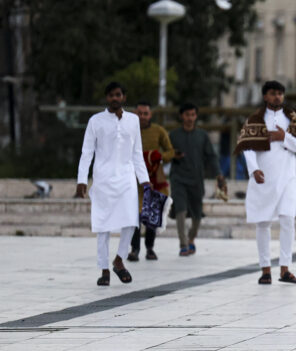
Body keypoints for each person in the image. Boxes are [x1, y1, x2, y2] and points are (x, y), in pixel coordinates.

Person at [235, 81, 296, 285]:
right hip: (264, 177)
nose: (277, 97)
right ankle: (265, 269)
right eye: (273, 93)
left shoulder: (291, 118)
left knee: (288, 220)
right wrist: (253, 169)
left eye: (280, 93)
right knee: (263, 222)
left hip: (287, 178)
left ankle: (285, 268)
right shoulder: (256, 119)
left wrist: (283, 136)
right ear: (265, 96)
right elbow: (247, 146)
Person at [75, 82, 151, 286]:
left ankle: (119, 260)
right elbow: (86, 153)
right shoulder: (95, 121)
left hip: (127, 178)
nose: (114, 98)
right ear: (106, 98)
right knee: (102, 225)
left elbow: (137, 154)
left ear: (124, 97)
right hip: (103, 180)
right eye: (111, 95)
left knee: (131, 221)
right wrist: (82, 180)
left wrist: (145, 180)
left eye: (118, 95)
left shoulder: (133, 120)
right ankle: (104, 270)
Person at [169, 103, 226, 257]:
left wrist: (218, 174)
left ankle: (191, 238)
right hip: (178, 178)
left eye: (193, 115)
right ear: (182, 116)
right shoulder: (173, 135)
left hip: (196, 179)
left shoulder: (202, 136)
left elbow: (211, 157)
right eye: (187, 115)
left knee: (197, 213)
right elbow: (164, 154)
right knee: (180, 209)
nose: (190, 118)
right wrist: (172, 155)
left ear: (196, 116)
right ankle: (183, 244)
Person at [128, 101, 175, 261]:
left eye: (145, 113)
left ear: (150, 115)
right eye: (139, 113)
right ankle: (134, 249)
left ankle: (150, 248)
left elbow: (170, 151)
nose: (142, 117)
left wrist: (159, 157)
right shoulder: (128, 130)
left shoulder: (159, 131)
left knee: (152, 215)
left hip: (155, 179)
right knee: (134, 215)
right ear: (134, 113)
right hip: (134, 179)